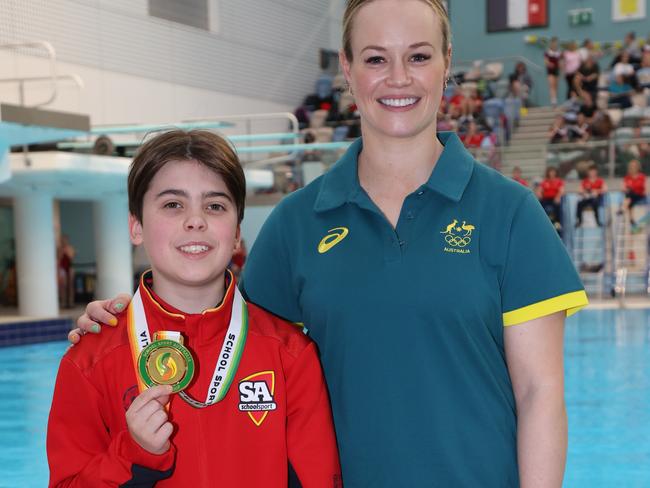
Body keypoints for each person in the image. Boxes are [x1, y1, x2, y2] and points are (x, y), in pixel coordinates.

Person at [72, 1, 588, 486]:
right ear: (347, 68)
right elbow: (225, 341)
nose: (399, 78)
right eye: (376, 58)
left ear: (447, 63)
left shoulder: (510, 214)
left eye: (419, 56)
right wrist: (127, 318)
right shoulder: (295, 225)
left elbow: (539, 395)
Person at [48, 130, 341, 487]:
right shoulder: (91, 360)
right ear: (136, 226)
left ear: (236, 234)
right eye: (173, 204)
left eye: (215, 205)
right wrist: (133, 453)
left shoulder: (289, 356)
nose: (195, 220)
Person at [537, 166, 565, 233]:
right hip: (546, 198)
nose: (552, 173)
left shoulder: (559, 181)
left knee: (557, 205)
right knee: (540, 205)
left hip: (555, 198)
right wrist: (539, 194)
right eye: (551, 172)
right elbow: (539, 190)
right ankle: (542, 222)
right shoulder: (545, 181)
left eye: (553, 172)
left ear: (555, 173)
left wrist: (558, 197)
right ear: (548, 173)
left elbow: (562, 191)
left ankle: (558, 223)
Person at [619, 159, 647, 225]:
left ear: (637, 167)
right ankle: (631, 219)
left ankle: (623, 208)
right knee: (629, 196)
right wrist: (625, 189)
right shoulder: (627, 177)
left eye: (634, 166)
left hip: (640, 195)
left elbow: (645, 188)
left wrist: (645, 191)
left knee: (629, 197)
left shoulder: (642, 176)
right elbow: (623, 187)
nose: (633, 168)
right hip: (630, 195)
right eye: (631, 166)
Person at [57, 235, 76, 308]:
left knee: (70, 286)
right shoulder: (59, 249)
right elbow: (59, 259)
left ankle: (71, 302)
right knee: (63, 286)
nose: (64, 242)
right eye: (62, 240)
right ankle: (63, 302)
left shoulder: (70, 248)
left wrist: (67, 251)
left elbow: (71, 257)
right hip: (62, 269)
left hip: (69, 268)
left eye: (65, 240)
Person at [544, 37, 562, 106]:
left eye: (556, 43)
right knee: (551, 85)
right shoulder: (548, 52)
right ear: (551, 44)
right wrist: (549, 63)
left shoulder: (559, 52)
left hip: (556, 70)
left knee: (556, 86)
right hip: (550, 71)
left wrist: (561, 70)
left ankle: (555, 100)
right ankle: (553, 101)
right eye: (553, 43)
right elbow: (545, 61)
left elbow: (560, 62)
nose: (554, 45)